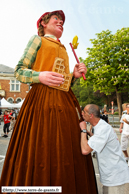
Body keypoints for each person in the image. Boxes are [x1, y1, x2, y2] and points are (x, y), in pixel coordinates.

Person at [0, 10, 98, 194]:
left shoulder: (64, 48)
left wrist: (73, 76)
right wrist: (39, 75)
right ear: (44, 23)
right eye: (56, 19)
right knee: (42, 147)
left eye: (62, 20)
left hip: (64, 103)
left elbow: (62, 82)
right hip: (41, 102)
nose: (61, 22)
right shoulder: (38, 40)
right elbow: (19, 71)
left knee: (66, 150)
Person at [80, 104, 129, 194]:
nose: (82, 113)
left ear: (91, 115)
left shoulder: (102, 128)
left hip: (116, 179)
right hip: (112, 177)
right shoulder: (101, 126)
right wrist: (90, 134)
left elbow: (85, 150)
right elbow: (101, 141)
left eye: (84, 112)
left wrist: (83, 130)